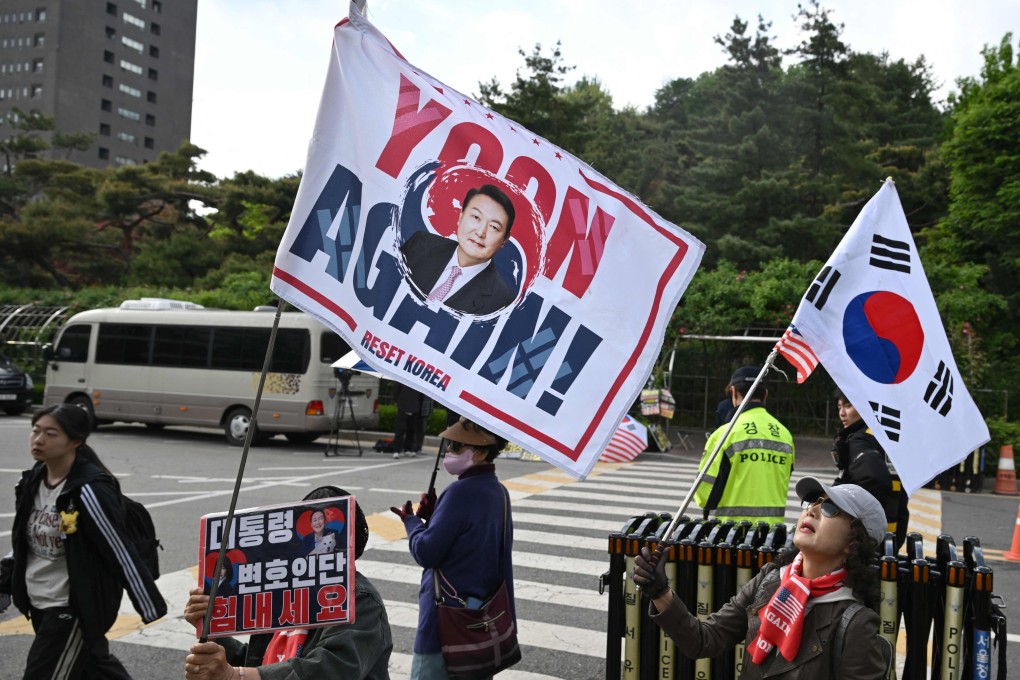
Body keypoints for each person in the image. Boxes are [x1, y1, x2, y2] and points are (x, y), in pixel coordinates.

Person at [634, 477, 890, 679]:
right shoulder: (770, 580)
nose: (812, 511)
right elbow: (705, 640)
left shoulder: (854, 623)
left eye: (831, 508)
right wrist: (660, 592)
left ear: (854, 542)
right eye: (813, 502)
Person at [10, 404, 167, 679]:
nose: (38, 440)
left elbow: (118, 549)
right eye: (35, 431)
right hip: (39, 599)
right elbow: (23, 540)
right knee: (93, 668)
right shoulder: (33, 479)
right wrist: (6, 580)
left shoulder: (88, 490)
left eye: (50, 433)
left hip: (73, 607)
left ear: (75, 441)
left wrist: (149, 603)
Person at [183, 485, 392, 680]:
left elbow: (327, 669)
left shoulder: (361, 600)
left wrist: (235, 675)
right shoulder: (283, 589)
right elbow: (261, 661)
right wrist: (210, 629)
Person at [391, 417, 516, 679]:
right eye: (450, 444)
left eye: (458, 446)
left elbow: (426, 552)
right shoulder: (498, 491)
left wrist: (412, 522)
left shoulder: (460, 492)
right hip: (481, 619)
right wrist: (436, 513)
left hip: (447, 618)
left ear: (481, 452)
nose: (450, 451)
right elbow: (472, 538)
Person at [695, 366, 795, 525]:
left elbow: (704, 497)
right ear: (766, 394)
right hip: (773, 535)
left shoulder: (724, 434)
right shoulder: (784, 434)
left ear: (733, 392)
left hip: (732, 535)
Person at [401, 183, 518, 315]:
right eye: (476, 217)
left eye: (493, 227)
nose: (480, 233)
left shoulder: (502, 303)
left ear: (504, 240)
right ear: (460, 217)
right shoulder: (420, 244)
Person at [831, 390, 910, 550]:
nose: (842, 413)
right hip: (891, 534)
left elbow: (875, 480)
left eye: (848, 406)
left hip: (865, 538)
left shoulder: (860, 439)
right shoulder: (885, 436)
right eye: (839, 407)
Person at [391, 383, 426, 459]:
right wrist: (397, 400)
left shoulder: (419, 381)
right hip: (403, 405)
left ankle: (408, 449)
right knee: (400, 429)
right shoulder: (403, 378)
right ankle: (397, 450)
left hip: (415, 406)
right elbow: (396, 389)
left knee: (412, 429)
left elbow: (421, 395)